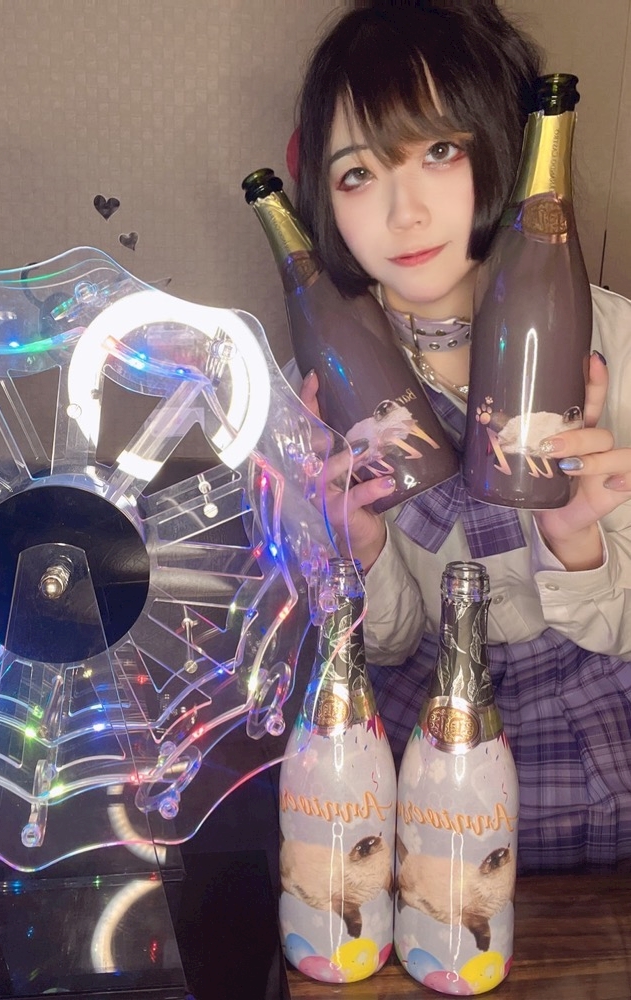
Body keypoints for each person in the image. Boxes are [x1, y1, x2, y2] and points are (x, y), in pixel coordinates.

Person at [289, 0, 631, 871]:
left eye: (438, 151)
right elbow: (383, 646)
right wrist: (359, 546)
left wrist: (576, 540)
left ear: (504, 149)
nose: (402, 213)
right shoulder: (318, 389)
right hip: (421, 764)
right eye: (356, 173)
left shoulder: (612, 343)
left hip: (605, 750)